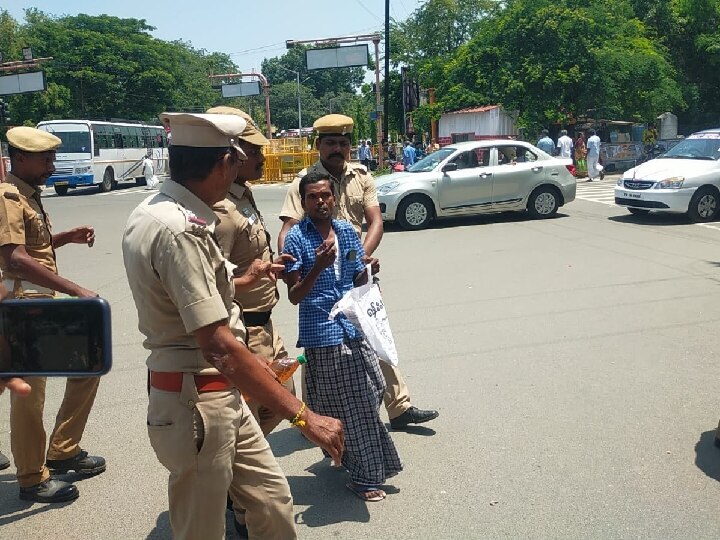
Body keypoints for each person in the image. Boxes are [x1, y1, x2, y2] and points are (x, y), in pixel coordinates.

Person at [122, 112, 344, 540]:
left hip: (217, 394)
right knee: (201, 528)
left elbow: (215, 293)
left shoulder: (164, 213)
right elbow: (217, 345)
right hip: (197, 400)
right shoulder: (179, 230)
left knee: (271, 501)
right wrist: (304, 417)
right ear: (225, 162)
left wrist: (253, 275)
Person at [278, 114, 439, 430]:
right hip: (319, 274)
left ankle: (398, 406)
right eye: (330, 143)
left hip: (354, 270)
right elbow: (288, 226)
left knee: (372, 332)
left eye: (342, 143)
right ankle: (314, 415)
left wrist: (360, 259)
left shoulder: (362, 176)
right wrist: (287, 263)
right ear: (319, 146)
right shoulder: (305, 181)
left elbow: (375, 221)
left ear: (349, 146)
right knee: (320, 345)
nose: (337, 148)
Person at [283, 171, 402, 502]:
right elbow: (294, 295)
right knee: (357, 404)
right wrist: (318, 266)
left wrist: (368, 270)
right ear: (304, 202)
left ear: (334, 197)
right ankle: (365, 476)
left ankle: (339, 448)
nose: (320, 202)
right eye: (312, 197)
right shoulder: (296, 239)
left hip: (352, 325)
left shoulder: (347, 232)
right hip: (322, 332)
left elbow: (355, 276)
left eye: (325, 195)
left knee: (372, 389)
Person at [0, 126, 104, 504]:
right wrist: (74, 288)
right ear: (20, 158)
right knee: (30, 397)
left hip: (40, 302)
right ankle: (31, 477)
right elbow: (14, 259)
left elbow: (29, 246)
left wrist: (65, 237)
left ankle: (62, 449)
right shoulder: (8, 197)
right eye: (45, 159)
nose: (52, 165)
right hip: (23, 308)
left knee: (89, 364)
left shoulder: (27, 195)